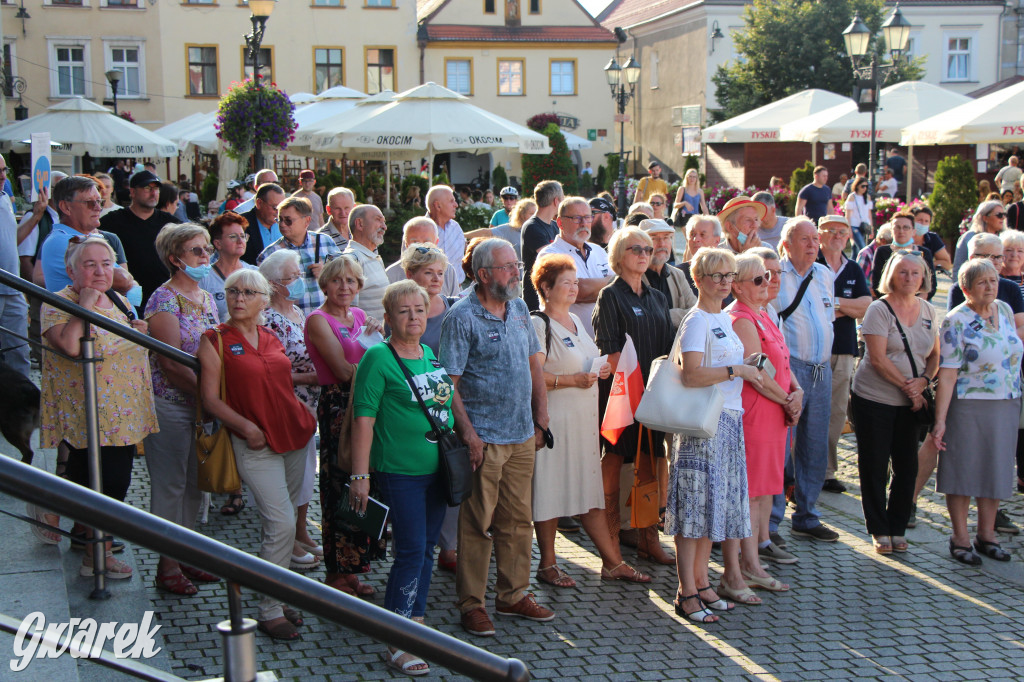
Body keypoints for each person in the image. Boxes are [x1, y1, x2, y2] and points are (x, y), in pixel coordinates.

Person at [439, 238, 554, 637]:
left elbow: (533, 364)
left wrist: (541, 416)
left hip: (522, 434)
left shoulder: (520, 308)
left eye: (516, 265)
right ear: (484, 274)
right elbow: (448, 385)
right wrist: (468, 434)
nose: (515, 273)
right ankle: (472, 604)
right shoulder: (462, 317)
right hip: (483, 440)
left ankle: (513, 594)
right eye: (507, 267)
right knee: (476, 525)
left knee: (518, 521)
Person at [198, 270, 317, 640]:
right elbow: (210, 399)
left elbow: (281, 383)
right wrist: (245, 427)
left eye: (249, 292)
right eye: (234, 291)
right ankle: (268, 610)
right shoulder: (214, 339)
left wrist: (304, 412)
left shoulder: (269, 336)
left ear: (264, 299)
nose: (239, 298)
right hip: (254, 442)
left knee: (288, 523)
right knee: (280, 523)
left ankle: (279, 597)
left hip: (295, 436)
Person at [349, 280, 456, 675]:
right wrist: (360, 475)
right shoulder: (378, 357)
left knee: (426, 547)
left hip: (435, 472)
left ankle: (417, 620)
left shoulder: (428, 353)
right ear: (389, 317)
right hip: (400, 472)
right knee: (410, 551)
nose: (413, 316)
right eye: (404, 310)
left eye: (419, 309)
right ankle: (396, 638)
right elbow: (364, 419)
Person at [529, 254, 650, 588]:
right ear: (545, 287)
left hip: (583, 422)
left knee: (589, 490)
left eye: (575, 281)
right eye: (566, 282)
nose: (574, 288)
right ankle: (548, 563)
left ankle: (612, 563)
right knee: (550, 490)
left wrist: (601, 369)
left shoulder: (576, 322)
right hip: (556, 420)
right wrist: (573, 381)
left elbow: (585, 362)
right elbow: (535, 373)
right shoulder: (539, 323)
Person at [40, 236, 156, 578]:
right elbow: (70, 346)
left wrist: (140, 330)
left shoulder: (118, 300)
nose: (100, 271)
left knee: (108, 481)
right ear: (71, 270)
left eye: (106, 263)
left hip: (124, 413)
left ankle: (81, 532)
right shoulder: (58, 302)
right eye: (89, 265)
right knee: (108, 483)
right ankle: (97, 555)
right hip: (89, 414)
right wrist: (86, 305)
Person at [666, 247, 764, 623]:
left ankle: (703, 584)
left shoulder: (719, 317)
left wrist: (745, 367)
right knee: (693, 510)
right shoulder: (696, 321)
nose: (724, 283)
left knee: (712, 509)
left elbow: (727, 365)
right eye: (717, 276)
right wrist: (735, 371)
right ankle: (685, 591)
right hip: (702, 424)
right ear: (700, 279)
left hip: (728, 419)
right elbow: (690, 374)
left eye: (729, 276)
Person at [144, 222, 223, 593]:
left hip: (201, 406)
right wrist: (211, 398)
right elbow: (171, 364)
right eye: (196, 251)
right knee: (170, 487)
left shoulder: (206, 297)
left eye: (206, 249)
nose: (205, 255)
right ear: (175, 258)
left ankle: (189, 555)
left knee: (195, 486)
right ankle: (167, 564)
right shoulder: (163, 300)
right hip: (174, 405)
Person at [592, 227, 675, 566]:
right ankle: (611, 540)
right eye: (634, 249)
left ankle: (647, 538)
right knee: (614, 462)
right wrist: (628, 392)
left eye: (647, 248)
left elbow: (668, 348)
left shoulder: (657, 297)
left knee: (650, 467)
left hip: (653, 396)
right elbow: (609, 349)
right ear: (618, 257)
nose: (643, 254)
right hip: (621, 395)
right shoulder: (610, 296)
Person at [933, 258, 1023, 565]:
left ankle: (988, 535)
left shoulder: (1005, 310)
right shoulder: (955, 320)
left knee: (996, 468)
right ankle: (960, 537)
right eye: (982, 282)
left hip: (1006, 401)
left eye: (994, 280)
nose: (990, 286)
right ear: (965, 288)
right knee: (962, 469)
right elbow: (947, 373)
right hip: (969, 402)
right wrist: (940, 420)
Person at [305, 255, 385, 596]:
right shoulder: (317, 320)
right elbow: (341, 370)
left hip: (367, 406)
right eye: (337, 281)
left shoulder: (362, 316)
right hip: (339, 406)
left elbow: (378, 360)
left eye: (351, 281)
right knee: (339, 482)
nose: (345, 287)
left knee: (365, 481)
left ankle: (354, 566)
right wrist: (372, 360)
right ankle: (337, 572)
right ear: (325, 284)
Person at [851, 251, 938, 554]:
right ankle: (878, 528)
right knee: (874, 463)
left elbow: (935, 354)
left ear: (924, 277)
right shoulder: (879, 309)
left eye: (915, 273)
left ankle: (898, 526)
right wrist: (909, 388)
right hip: (875, 398)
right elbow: (876, 358)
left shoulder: (928, 310)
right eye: (903, 272)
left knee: (907, 465)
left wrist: (924, 382)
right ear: (891, 275)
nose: (910, 278)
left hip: (910, 403)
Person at [726, 252, 799, 593]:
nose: (766, 284)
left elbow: (784, 359)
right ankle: (748, 563)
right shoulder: (741, 318)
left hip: (775, 412)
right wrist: (786, 399)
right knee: (750, 493)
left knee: (764, 490)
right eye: (758, 279)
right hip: (758, 411)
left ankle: (753, 559)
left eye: (768, 277)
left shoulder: (764, 312)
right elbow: (757, 373)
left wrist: (796, 391)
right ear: (737, 285)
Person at [769, 217, 839, 544]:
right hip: (790, 369)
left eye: (815, 238)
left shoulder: (825, 274)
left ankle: (807, 515)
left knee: (814, 445)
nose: (812, 244)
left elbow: (828, 318)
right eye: (804, 239)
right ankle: (770, 522)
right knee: (782, 447)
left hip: (821, 368)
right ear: (786, 245)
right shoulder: (774, 276)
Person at [396, 242, 459, 570]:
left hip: (448, 410)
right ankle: (413, 548)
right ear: (410, 274)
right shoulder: (399, 314)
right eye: (428, 273)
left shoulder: (452, 308)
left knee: (449, 478)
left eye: (440, 273)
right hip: (409, 412)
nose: (436, 279)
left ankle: (448, 548)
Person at [259, 250, 324, 571]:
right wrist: (308, 377)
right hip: (286, 404)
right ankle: (287, 543)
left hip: (309, 405)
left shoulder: (298, 311)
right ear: (272, 284)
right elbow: (266, 370)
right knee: (287, 477)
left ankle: (301, 531)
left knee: (303, 475)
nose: (300, 281)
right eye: (291, 277)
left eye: (299, 275)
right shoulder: (268, 319)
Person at [816, 216, 871, 494]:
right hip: (812, 348)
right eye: (831, 231)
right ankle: (802, 467)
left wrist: (834, 304)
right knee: (809, 409)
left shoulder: (853, 268)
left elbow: (865, 305)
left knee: (837, 411)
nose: (837, 236)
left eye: (842, 232)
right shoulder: (811, 264)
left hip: (844, 347)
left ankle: (827, 471)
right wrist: (844, 308)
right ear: (820, 234)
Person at [99, 170, 179, 306]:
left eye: (156, 189)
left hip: (164, 298)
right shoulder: (111, 222)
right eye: (148, 188)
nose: (154, 193)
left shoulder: (171, 225)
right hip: (127, 299)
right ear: (133, 192)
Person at [538, 196, 613, 336]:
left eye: (588, 217)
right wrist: (613, 283)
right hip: (567, 341)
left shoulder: (598, 251)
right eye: (577, 218)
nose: (584, 223)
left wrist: (602, 287)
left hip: (603, 339)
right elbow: (578, 291)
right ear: (560, 222)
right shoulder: (550, 255)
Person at [257, 196, 341, 314]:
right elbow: (262, 295)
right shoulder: (270, 254)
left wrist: (326, 273)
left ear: (306, 221)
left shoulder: (325, 242)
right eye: (279, 219)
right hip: (291, 323)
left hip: (326, 319)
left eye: (288, 220)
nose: (282, 224)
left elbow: (344, 276)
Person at [198, 212, 258, 323]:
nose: (240, 241)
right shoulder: (204, 277)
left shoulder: (255, 273)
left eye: (243, 236)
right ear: (218, 243)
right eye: (233, 237)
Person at [385, 217, 462, 296]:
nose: (421, 246)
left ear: (436, 242)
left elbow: (456, 304)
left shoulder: (448, 271)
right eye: (415, 242)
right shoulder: (391, 274)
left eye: (426, 242)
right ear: (406, 243)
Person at [641, 218, 697, 326]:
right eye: (654, 238)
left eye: (666, 238)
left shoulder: (678, 275)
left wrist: (665, 315)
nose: (662, 244)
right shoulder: (632, 276)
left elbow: (696, 312)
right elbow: (640, 319)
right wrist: (680, 314)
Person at [870, 210, 936, 299]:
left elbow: (931, 285)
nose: (901, 231)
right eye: (897, 227)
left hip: (919, 302)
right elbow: (877, 284)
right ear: (891, 230)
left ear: (913, 231)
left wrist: (915, 303)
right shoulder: (882, 251)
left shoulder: (924, 253)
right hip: (890, 302)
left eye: (906, 227)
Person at [522, 180, 564, 310]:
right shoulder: (532, 227)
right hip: (536, 296)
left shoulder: (554, 226)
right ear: (556, 201)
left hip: (551, 292)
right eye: (563, 199)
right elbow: (552, 259)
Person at [343, 204, 390, 321]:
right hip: (364, 338)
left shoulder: (373, 256)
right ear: (360, 224)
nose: (384, 227)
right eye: (378, 220)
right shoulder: (352, 260)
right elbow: (347, 312)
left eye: (384, 222)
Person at [951, 200, 1005, 280]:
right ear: (985, 217)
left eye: (1004, 215)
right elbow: (958, 269)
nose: (1003, 218)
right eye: (999, 215)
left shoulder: (1004, 239)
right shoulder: (969, 238)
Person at [240, 183, 286, 265]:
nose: (278, 212)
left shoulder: (286, 223)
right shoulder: (241, 224)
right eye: (275, 208)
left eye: (282, 208)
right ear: (259, 203)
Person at [680, 215, 723, 294]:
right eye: (692, 234)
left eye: (702, 235)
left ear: (717, 240)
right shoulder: (678, 274)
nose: (696, 239)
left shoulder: (728, 272)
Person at [426, 185, 466, 266]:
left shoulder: (455, 227)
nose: (456, 205)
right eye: (451, 201)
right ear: (437, 206)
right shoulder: (418, 229)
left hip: (457, 279)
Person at [910, 206, 952, 271]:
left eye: (926, 221)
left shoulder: (932, 238)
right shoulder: (902, 236)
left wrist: (926, 264)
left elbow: (946, 263)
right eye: (920, 220)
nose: (923, 223)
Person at [843, 177, 873, 253]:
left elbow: (869, 214)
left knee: (855, 249)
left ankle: (854, 263)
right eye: (863, 186)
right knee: (862, 247)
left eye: (866, 186)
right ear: (857, 186)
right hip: (854, 225)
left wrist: (871, 228)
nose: (864, 188)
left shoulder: (867, 197)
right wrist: (848, 228)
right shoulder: (852, 197)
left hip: (864, 225)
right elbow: (848, 214)